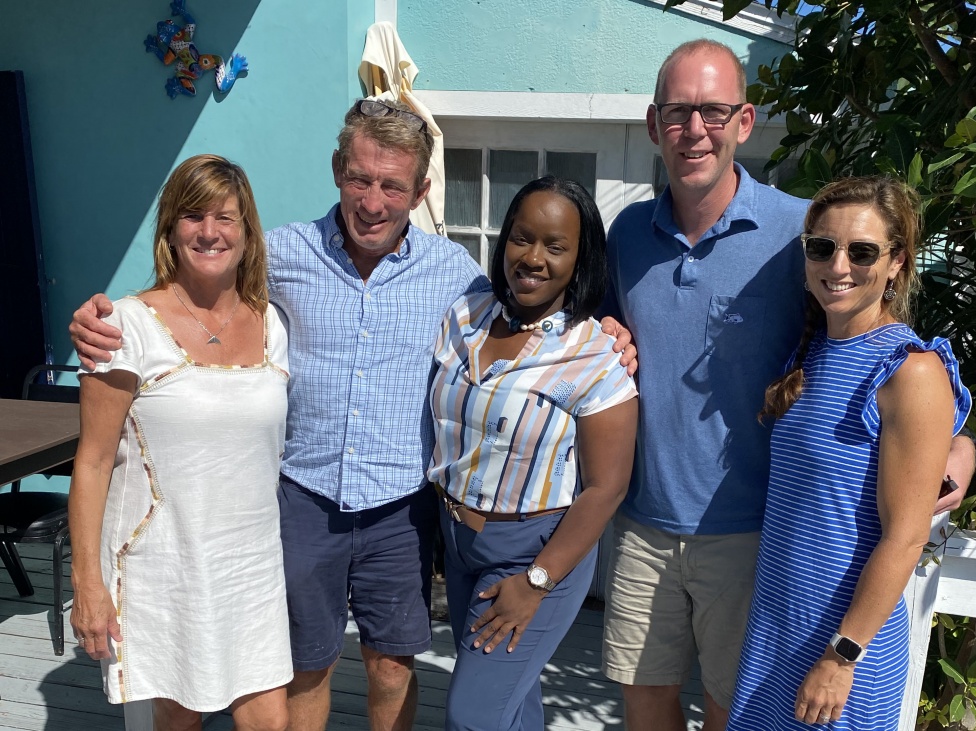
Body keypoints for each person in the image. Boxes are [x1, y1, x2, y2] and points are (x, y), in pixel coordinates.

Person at [70, 100, 637, 731]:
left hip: (401, 504)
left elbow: (537, 300)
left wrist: (607, 324)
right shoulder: (280, 255)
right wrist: (103, 316)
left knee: (392, 666)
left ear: (420, 190)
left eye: (393, 185)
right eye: (359, 179)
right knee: (306, 666)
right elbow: (200, 289)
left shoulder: (456, 275)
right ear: (337, 169)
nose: (373, 201)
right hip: (303, 497)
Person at [599, 39, 976, 731]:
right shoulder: (625, 234)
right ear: (654, 125)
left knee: (731, 707)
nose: (695, 129)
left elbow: (892, 353)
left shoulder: (796, 230)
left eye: (713, 110)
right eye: (678, 112)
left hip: (749, 534)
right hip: (643, 523)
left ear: (743, 122)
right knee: (644, 697)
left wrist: (959, 438)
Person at [727, 176, 972, 729]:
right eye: (822, 247)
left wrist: (843, 656)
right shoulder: (813, 349)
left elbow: (906, 536)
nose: (838, 266)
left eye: (862, 252)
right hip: (779, 632)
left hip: (843, 652)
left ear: (897, 264)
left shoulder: (910, 370)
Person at [68, 154, 291, 731]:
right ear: (170, 228)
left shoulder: (272, 326)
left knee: (270, 717)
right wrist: (87, 583)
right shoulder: (123, 327)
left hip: (252, 563)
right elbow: (91, 464)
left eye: (225, 217)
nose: (210, 232)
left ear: (247, 232)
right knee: (177, 714)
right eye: (193, 216)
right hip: (165, 564)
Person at [430, 177, 638, 730]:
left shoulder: (595, 355)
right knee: (512, 703)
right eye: (523, 238)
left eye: (555, 246)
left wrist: (537, 581)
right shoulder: (465, 317)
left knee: (472, 714)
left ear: (580, 258)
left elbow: (606, 487)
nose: (534, 258)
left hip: (534, 553)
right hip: (457, 544)